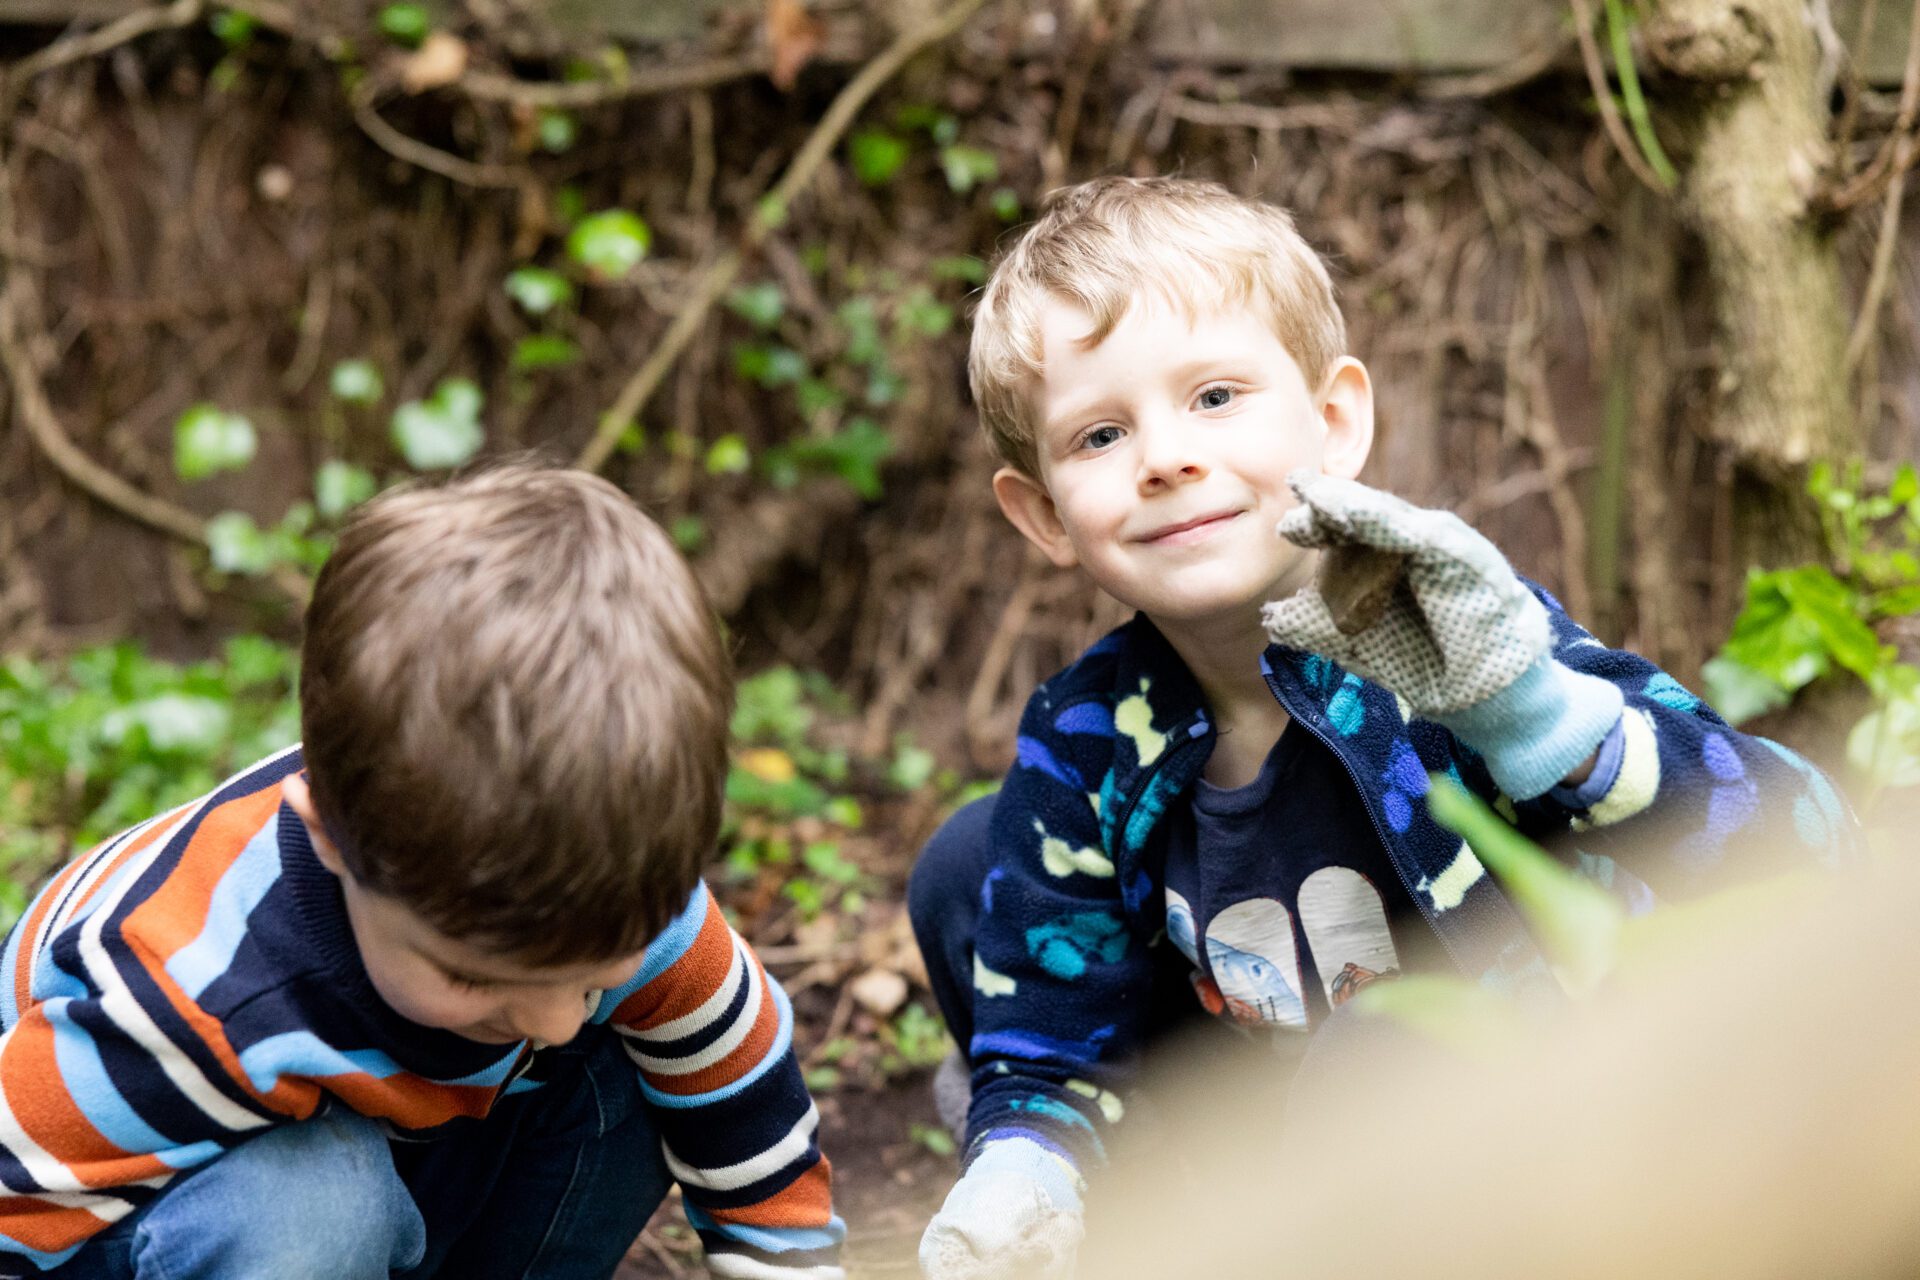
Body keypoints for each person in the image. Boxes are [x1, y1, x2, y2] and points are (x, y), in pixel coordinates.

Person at [909, 176, 1856, 1278]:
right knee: (970, 862)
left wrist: (1541, 721)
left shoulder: (1460, 645)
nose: (1165, 457)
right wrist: (1022, 1161)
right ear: (1043, 514)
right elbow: (1049, 1041)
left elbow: (1805, 838)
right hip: (1257, 1151)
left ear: (1334, 421)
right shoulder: (1088, 731)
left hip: (1517, 1151)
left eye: (1215, 397)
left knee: (1391, 1038)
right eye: (1103, 433)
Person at [0, 464, 844, 1279]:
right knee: (312, 1212)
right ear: (331, 839)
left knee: (653, 1067)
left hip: (401, 1145)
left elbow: (748, 1116)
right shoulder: (187, 999)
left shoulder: (610, 881)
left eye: (594, 975)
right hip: (127, 1205)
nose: (552, 1021)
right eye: (476, 977)